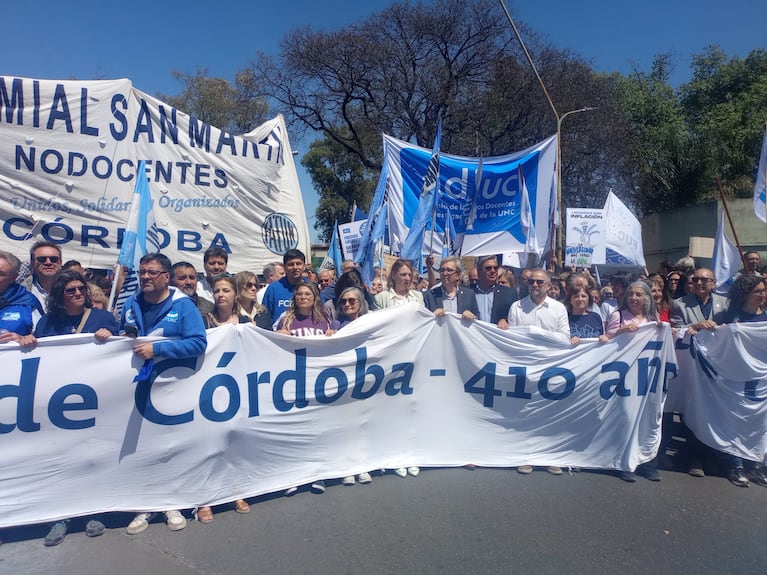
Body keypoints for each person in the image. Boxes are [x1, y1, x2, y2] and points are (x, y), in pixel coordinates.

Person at [28, 270, 119, 545]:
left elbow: (119, 349)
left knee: (93, 456)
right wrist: (27, 342)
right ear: (59, 295)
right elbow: (38, 353)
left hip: (96, 401)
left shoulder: (102, 318)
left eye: (82, 288)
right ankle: (61, 516)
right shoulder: (47, 323)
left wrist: (110, 335)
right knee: (61, 459)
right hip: (58, 404)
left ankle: (94, 511)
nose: (79, 293)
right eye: (71, 290)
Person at [121, 253, 207, 535]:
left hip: (173, 387)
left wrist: (157, 350)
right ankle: (145, 504)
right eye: (142, 271)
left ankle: (172, 502)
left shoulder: (183, 306)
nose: (145, 276)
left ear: (166, 277)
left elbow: (198, 342)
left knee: (170, 445)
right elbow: (121, 333)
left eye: (152, 272)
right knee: (141, 446)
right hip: (138, 387)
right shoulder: (131, 303)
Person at [197, 274, 252, 523]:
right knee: (208, 444)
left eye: (226, 290)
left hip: (239, 387)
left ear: (235, 295)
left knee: (235, 441)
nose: (221, 294)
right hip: (208, 389)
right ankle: (205, 498)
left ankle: (235, 491)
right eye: (217, 290)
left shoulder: (248, 323)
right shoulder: (203, 322)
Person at [276, 283, 338, 495]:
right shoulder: (286, 318)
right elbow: (268, 343)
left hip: (317, 382)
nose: (303, 297)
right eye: (299, 294)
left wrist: (333, 333)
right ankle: (293, 475)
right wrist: (279, 333)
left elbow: (337, 342)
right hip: (292, 382)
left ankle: (318, 474)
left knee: (317, 429)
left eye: (307, 294)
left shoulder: (325, 319)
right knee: (294, 430)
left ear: (314, 297)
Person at [507, 268, 570, 476]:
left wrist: (538, 336)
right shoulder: (517, 307)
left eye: (540, 282)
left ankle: (551, 457)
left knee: (550, 413)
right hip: (525, 367)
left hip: (550, 368)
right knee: (525, 413)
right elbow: (514, 339)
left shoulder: (559, 308)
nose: (535, 285)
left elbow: (564, 337)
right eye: (532, 282)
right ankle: (527, 456)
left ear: (549, 285)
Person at [604, 280, 663, 483]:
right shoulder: (617, 316)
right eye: (631, 294)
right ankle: (625, 462)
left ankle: (648, 463)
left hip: (647, 377)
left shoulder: (652, 319)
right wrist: (619, 332)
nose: (634, 298)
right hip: (623, 377)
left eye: (639, 294)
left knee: (649, 419)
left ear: (647, 297)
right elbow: (606, 343)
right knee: (626, 418)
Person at [718, 274, 767, 487]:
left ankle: (755, 465)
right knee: (734, 421)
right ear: (745, 294)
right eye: (758, 291)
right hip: (734, 380)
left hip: (760, 382)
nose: (763, 295)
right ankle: (735, 464)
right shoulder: (728, 317)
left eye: (764, 291)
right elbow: (714, 341)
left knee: (759, 424)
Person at [335, 286, 375, 486]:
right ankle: (346, 468)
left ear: (361, 302)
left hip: (366, 380)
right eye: (343, 301)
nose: (347, 304)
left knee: (363, 425)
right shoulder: (335, 324)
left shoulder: (371, 323)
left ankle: (363, 465)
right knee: (345, 427)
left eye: (352, 300)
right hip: (342, 383)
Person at [0, 251, 43, 344]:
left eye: (1, 273)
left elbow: (45, 339)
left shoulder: (28, 303)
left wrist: (22, 339)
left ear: (13, 278)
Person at [423, 256, 479, 321]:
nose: (445, 273)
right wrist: (432, 316)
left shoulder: (469, 295)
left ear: (458, 275)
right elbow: (423, 320)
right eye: (442, 270)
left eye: (449, 270)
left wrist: (472, 316)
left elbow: (477, 318)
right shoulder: (429, 296)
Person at [263, 249, 308, 324]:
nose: (295, 267)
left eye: (298, 263)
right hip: (279, 334)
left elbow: (320, 313)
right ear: (285, 267)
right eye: (291, 264)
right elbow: (264, 317)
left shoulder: (312, 288)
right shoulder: (273, 288)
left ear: (304, 266)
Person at [471, 256, 516, 329]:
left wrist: (505, 320)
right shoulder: (467, 292)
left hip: (496, 337)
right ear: (479, 271)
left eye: (495, 268)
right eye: (488, 268)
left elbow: (515, 318)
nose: (493, 271)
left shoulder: (509, 294)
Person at [23, 240, 63, 317]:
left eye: (53, 259)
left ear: (60, 262)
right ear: (32, 262)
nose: (48, 262)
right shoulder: (20, 291)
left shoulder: (75, 290)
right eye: (42, 259)